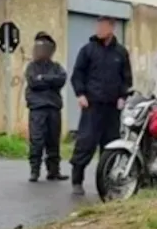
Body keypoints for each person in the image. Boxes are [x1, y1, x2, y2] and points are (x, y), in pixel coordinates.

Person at [69, 16, 133, 196]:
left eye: (103, 26)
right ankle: (77, 180)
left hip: (112, 108)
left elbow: (127, 78)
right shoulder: (88, 50)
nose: (99, 29)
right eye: (98, 26)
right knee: (85, 142)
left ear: (111, 28)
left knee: (111, 145)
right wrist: (80, 94)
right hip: (92, 105)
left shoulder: (120, 52)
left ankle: (106, 182)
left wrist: (123, 96)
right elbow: (77, 74)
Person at [24, 32, 69, 182]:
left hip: (54, 108)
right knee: (36, 140)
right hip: (37, 109)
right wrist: (49, 82)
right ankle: (34, 171)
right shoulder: (31, 67)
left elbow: (61, 80)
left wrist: (43, 78)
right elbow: (33, 83)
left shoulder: (56, 67)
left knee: (53, 141)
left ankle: (54, 171)